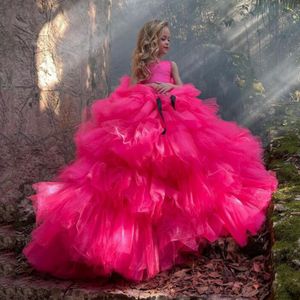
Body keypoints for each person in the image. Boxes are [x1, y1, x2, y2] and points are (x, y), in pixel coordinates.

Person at [23, 20, 278, 282]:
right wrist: (146, 90)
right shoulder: (142, 64)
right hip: (142, 117)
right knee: (139, 177)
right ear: (151, 40)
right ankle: (132, 246)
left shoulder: (171, 66)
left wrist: (170, 88)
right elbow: (132, 88)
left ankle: (170, 237)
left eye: (169, 39)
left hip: (172, 116)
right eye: (163, 39)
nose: (167, 43)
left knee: (177, 166)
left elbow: (182, 87)